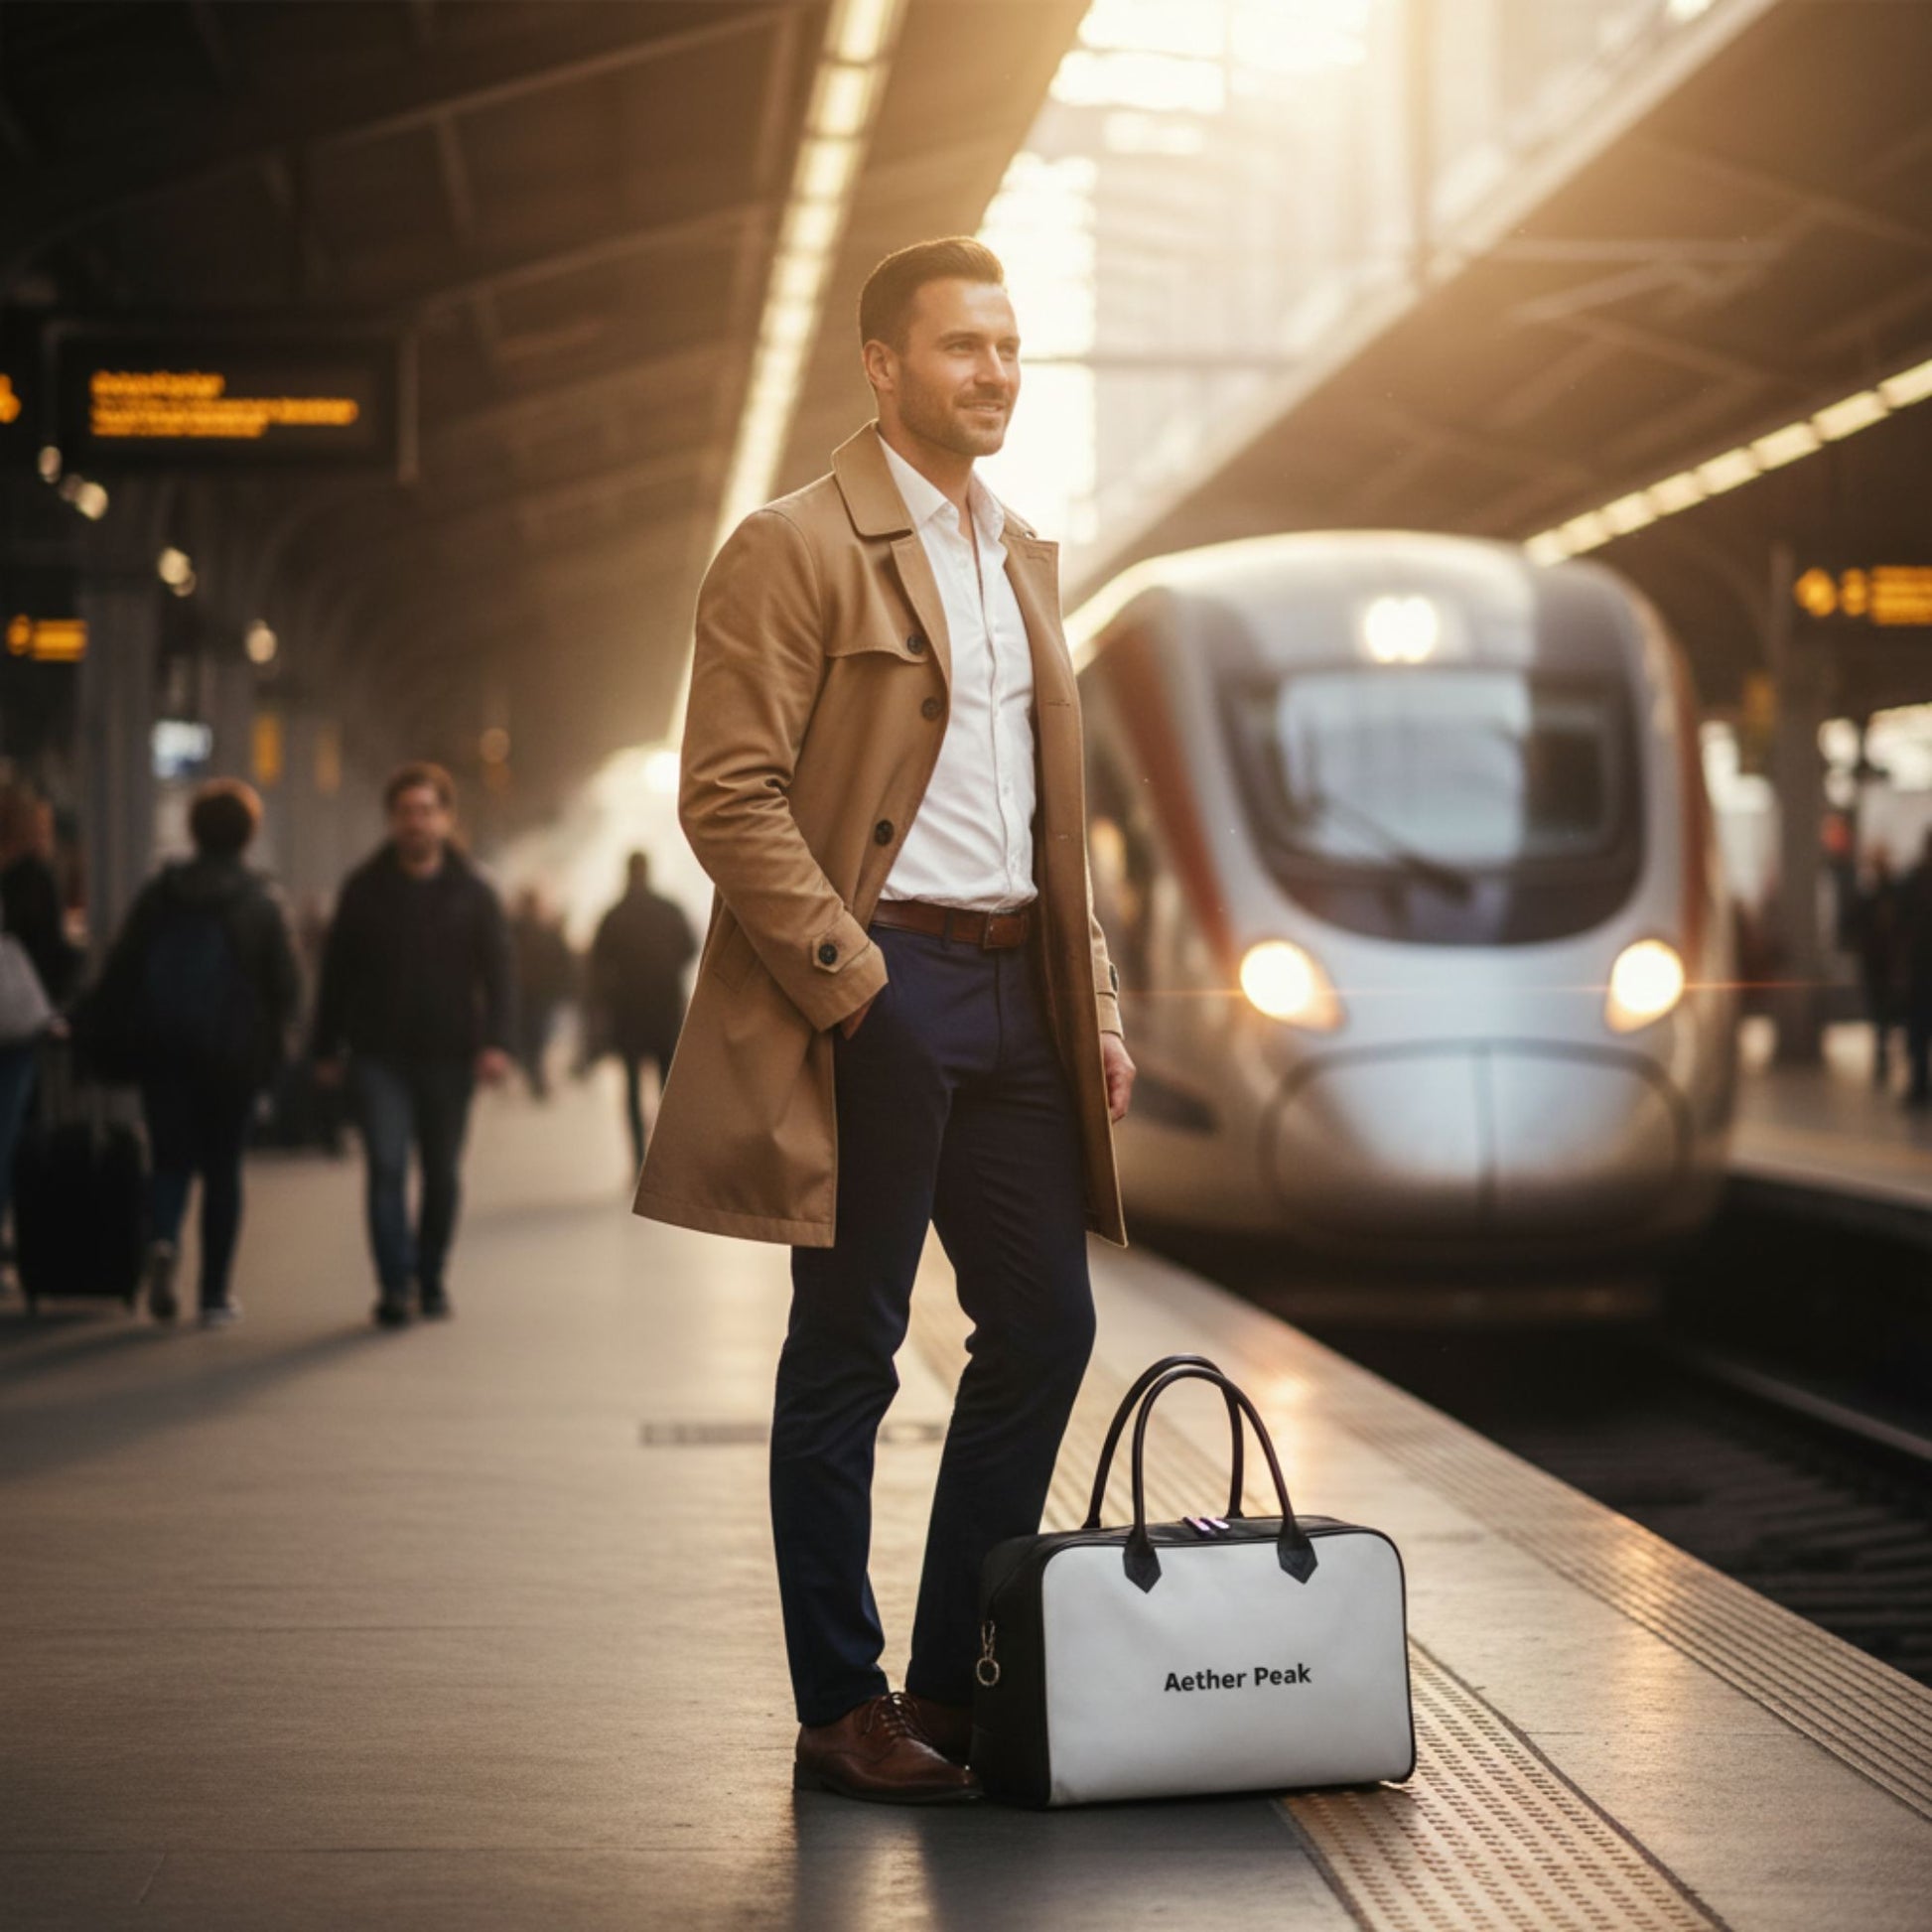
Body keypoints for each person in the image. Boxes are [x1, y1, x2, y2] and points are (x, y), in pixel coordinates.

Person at [631, 237, 1135, 1803]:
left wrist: (1095, 996)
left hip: (1019, 987)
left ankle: (956, 1679)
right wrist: (856, 985)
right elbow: (725, 792)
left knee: (1046, 1322)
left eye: (1008, 344)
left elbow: (1056, 823)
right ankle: (843, 1706)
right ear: (881, 364)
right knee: (847, 1347)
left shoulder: (1018, 552)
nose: (994, 371)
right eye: (961, 346)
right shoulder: (791, 546)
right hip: (883, 981)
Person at [89, 779, 300, 1324]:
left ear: (193, 829)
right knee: (224, 1169)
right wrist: (278, 1051)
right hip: (234, 1057)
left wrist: (93, 1024)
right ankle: (213, 1295)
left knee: (169, 1159)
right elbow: (287, 987)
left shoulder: (162, 892)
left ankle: (162, 1238)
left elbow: (123, 966)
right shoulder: (261, 900)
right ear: (249, 834)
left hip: (164, 1049)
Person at [312, 762, 514, 1326]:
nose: (417, 823)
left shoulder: (474, 893)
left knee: (442, 1173)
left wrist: (498, 1042)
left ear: (447, 819)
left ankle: (430, 1275)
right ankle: (394, 1284)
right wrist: (324, 1048)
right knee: (385, 1164)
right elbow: (336, 975)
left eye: (427, 812)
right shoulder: (363, 890)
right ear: (391, 820)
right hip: (380, 1055)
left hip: (451, 1057)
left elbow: (500, 974)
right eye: (406, 813)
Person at [590, 852, 695, 1169]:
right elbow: (689, 947)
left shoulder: (613, 915)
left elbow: (597, 964)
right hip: (665, 1011)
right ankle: (666, 1158)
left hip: (628, 1015)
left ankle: (638, 1158)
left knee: (632, 1089)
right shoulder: (669, 910)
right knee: (666, 1088)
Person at [509, 888, 576, 1100]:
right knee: (537, 1036)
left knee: (531, 1036)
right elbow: (562, 960)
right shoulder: (542, 931)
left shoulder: (513, 930)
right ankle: (535, 1075)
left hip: (526, 993)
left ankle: (533, 1073)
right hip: (538, 993)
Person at [1850, 849, 1900, 1088]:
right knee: (1880, 1015)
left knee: (1886, 1014)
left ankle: (1885, 1056)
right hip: (1877, 965)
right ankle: (1882, 1056)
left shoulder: (1895, 894)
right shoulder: (1870, 897)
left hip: (1891, 965)